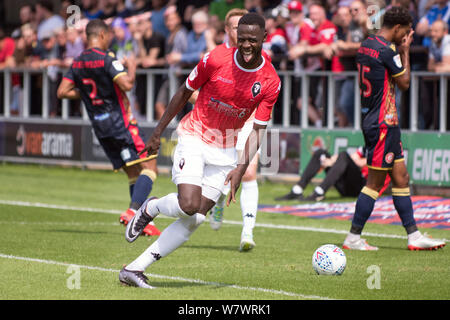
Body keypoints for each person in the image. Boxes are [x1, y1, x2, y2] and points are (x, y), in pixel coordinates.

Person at [119, 13, 281, 288]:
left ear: (264, 39)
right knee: (189, 204)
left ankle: (134, 269)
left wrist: (240, 169)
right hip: (195, 136)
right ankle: (152, 206)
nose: (246, 45)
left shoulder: (270, 80)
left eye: (252, 40)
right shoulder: (215, 58)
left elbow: (258, 130)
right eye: (241, 39)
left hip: (226, 149)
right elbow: (183, 92)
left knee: (195, 218)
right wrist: (158, 132)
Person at [342, 6, 446, 251]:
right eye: (407, 32)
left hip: (378, 121)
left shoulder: (367, 44)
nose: (407, 36)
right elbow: (405, 83)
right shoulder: (388, 51)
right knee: (375, 183)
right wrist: (406, 51)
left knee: (401, 177)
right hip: (382, 124)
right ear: (397, 28)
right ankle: (353, 237)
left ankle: (413, 236)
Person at [57, 19, 160, 237]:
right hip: (120, 123)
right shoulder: (106, 59)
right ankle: (134, 212)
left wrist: (85, 95)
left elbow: (62, 92)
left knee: (133, 170)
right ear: (102, 35)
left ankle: (138, 222)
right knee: (150, 166)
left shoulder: (77, 62)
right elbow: (127, 85)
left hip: (100, 127)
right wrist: (131, 67)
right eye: (109, 35)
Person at [206, 8, 262, 252]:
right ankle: (218, 198)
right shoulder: (214, 57)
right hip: (217, 123)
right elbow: (191, 93)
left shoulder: (258, 57)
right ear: (228, 30)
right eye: (237, 27)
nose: (243, 33)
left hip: (247, 121)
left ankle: (247, 232)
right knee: (221, 173)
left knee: (249, 173)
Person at [275, 147, 389, 202]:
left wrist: (333, 161)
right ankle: (297, 190)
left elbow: (360, 162)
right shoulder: (368, 146)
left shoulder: (384, 149)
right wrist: (331, 161)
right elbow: (354, 157)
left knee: (343, 155)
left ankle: (319, 192)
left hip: (365, 189)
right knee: (321, 153)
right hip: (349, 186)